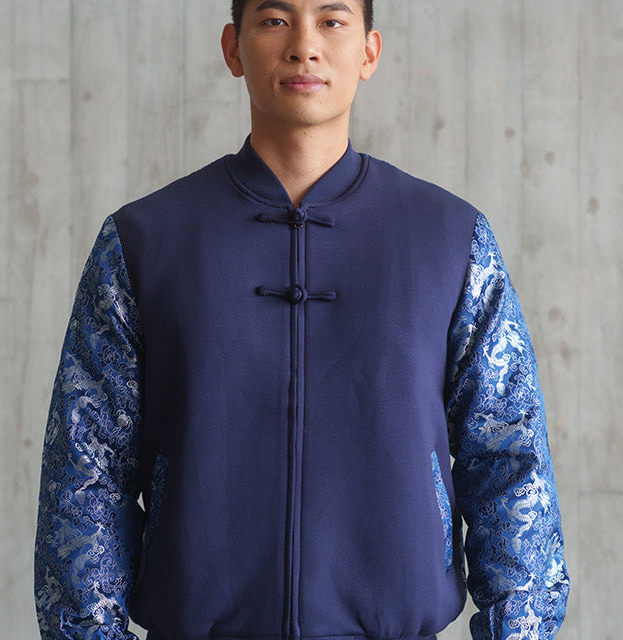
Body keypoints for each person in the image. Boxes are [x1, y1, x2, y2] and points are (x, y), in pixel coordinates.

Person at [33, 1, 570, 638]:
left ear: (369, 51)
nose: (304, 46)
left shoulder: (451, 240)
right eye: (274, 20)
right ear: (233, 48)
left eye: (332, 20)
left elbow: (510, 459)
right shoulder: (145, 241)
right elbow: (84, 472)